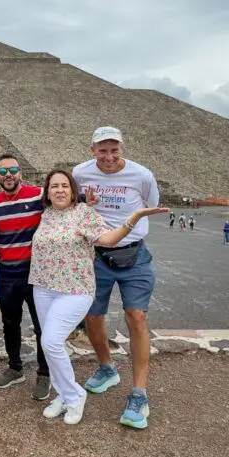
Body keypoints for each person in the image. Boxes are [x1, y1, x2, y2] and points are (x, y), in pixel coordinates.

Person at [30, 169, 167, 425]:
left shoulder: (84, 213)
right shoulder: (46, 214)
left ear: (73, 190)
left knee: (50, 342)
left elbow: (108, 239)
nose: (59, 190)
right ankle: (62, 394)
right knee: (50, 345)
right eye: (54, 186)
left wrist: (134, 217)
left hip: (75, 290)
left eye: (64, 186)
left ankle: (74, 395)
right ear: (47, 192)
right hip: (43, 287)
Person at [72, 126, 161, 430]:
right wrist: (87, 202)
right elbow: (74, 204)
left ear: (122, 148)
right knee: (93, 316)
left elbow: (149, 205)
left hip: (133, 253)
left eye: (114, 150)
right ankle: (107, 367)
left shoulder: (142, 175)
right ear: (92, 149)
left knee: (136, 317)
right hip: (96, 254)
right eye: (102, 150)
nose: (109, 157)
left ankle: (139, 393)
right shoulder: (80, 173)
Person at [0, 154, 51, 400]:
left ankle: (44, 373)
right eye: (3, 172)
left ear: (21, 172)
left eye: (13, 170)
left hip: (36, 273)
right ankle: (15, 367)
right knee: (10, 323)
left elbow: (66, 199)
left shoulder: (38, 195)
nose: (8, 175)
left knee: (41, 326)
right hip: (7, 272)